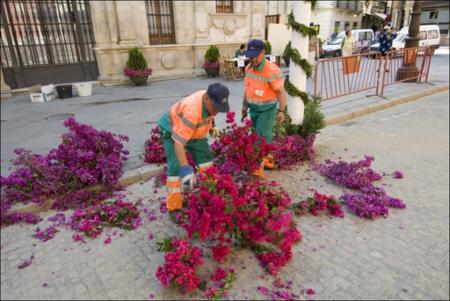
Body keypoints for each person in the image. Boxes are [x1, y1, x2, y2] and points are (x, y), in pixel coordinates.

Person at [158, 83, 230, 222]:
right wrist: (185, 168)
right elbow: (178, 144)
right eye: (215, 107)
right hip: (172, 129)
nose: (216, 111)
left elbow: (208, 114)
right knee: (175, 167)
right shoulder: (192, 111)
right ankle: (173, 207)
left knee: (207, 162)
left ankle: (209, 196)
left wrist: (212, 126)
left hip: (194, 133)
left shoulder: (210, 97)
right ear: (207, 99)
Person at [241, 39, 287, 177]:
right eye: (250, 55)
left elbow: (281, 92)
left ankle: (257, 167)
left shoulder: (272, 70)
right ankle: (267, 159)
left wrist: (282, 111)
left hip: (267, 109)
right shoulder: (248, 68)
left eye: (256, 55)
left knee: (261, 138)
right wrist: (244, 107)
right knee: (258, 135)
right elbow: (247, 89)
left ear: (263, 53)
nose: (253, 59)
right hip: (254, 109)